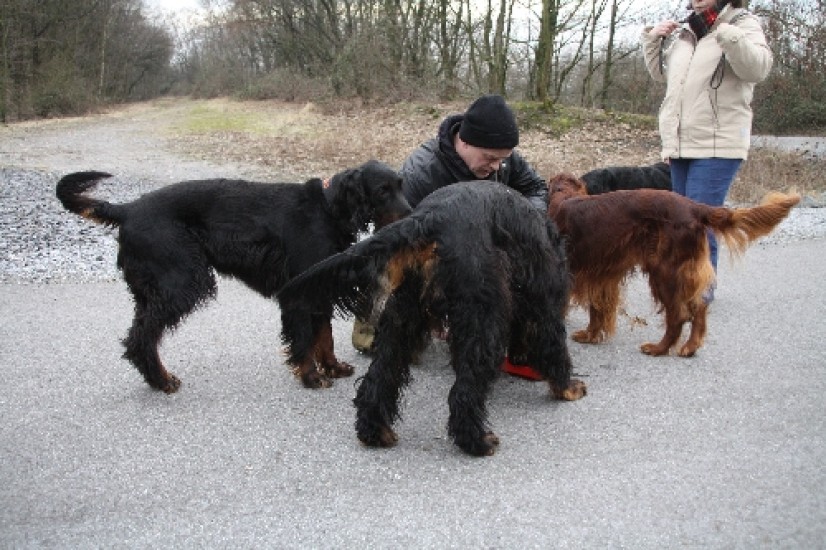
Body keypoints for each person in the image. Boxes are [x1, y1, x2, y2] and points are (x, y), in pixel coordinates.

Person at [352, 94, 549, 353]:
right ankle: (376, 331)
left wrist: (525, 225)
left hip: (484, 240)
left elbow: (536, 188)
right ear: (465, 142)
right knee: (396, 331)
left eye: (502, 159)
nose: (496, 166)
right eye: (490, 158)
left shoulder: (501, 157)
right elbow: (395, 239)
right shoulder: (420, 173)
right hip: (429, 246)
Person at [641, 0, 772, 303]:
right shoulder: (687, 31)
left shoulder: (741, 22)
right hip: (681, 141)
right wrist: (653, 40)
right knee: (680, 220)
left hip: (718, 141)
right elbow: (663, 76)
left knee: (697, 220)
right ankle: (685, 282)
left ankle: (700, 291)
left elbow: (757, 69)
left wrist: (727, 34)